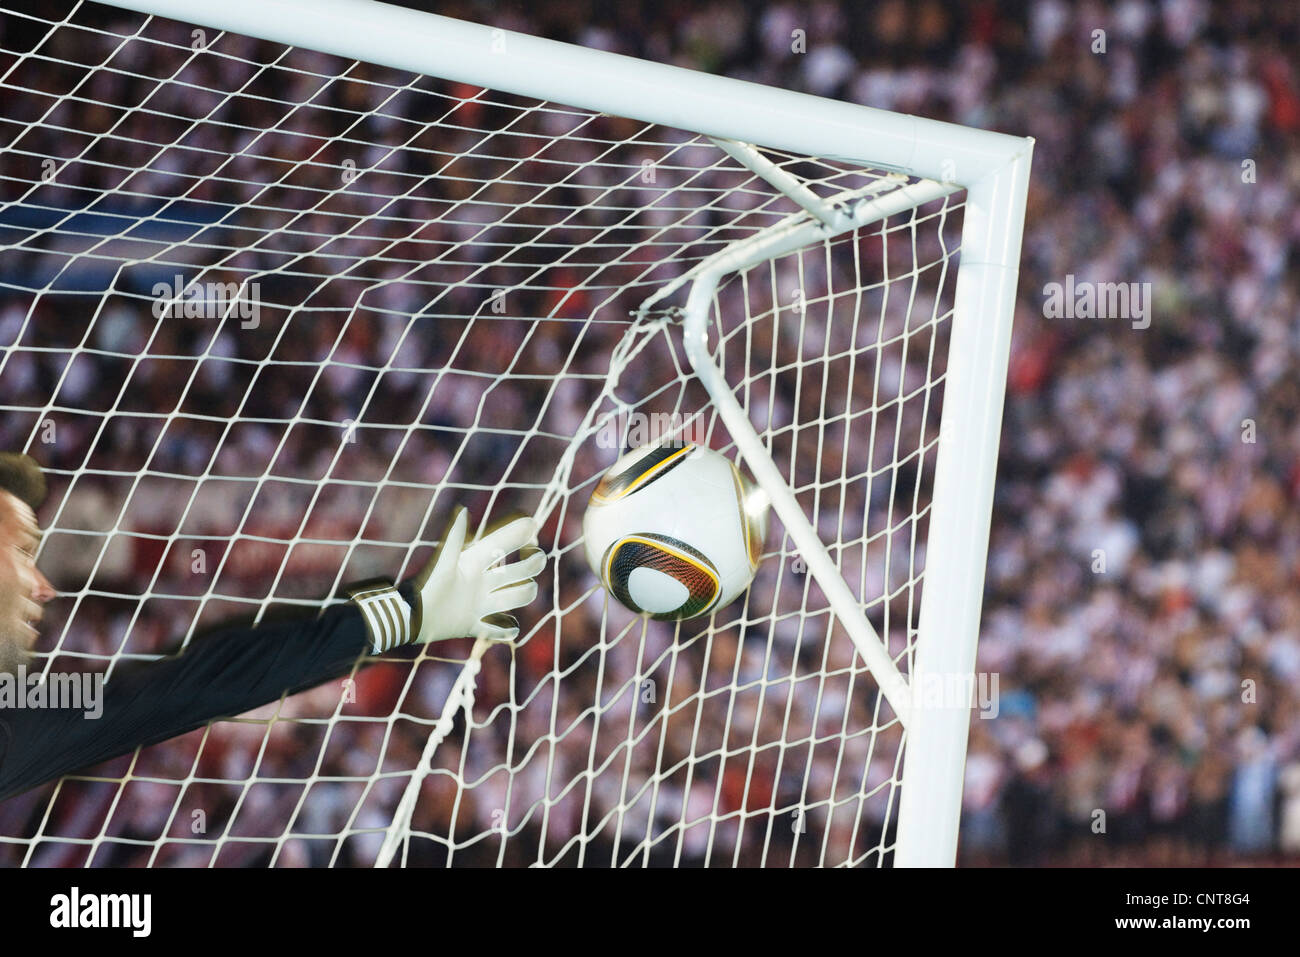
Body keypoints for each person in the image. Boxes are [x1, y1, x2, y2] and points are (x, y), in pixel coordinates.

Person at [0, 452, 544, 802]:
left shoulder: (19, 718)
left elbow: (190, 681)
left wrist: (401, 616)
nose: (44, 584)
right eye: (24, 550)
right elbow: (192, 683)